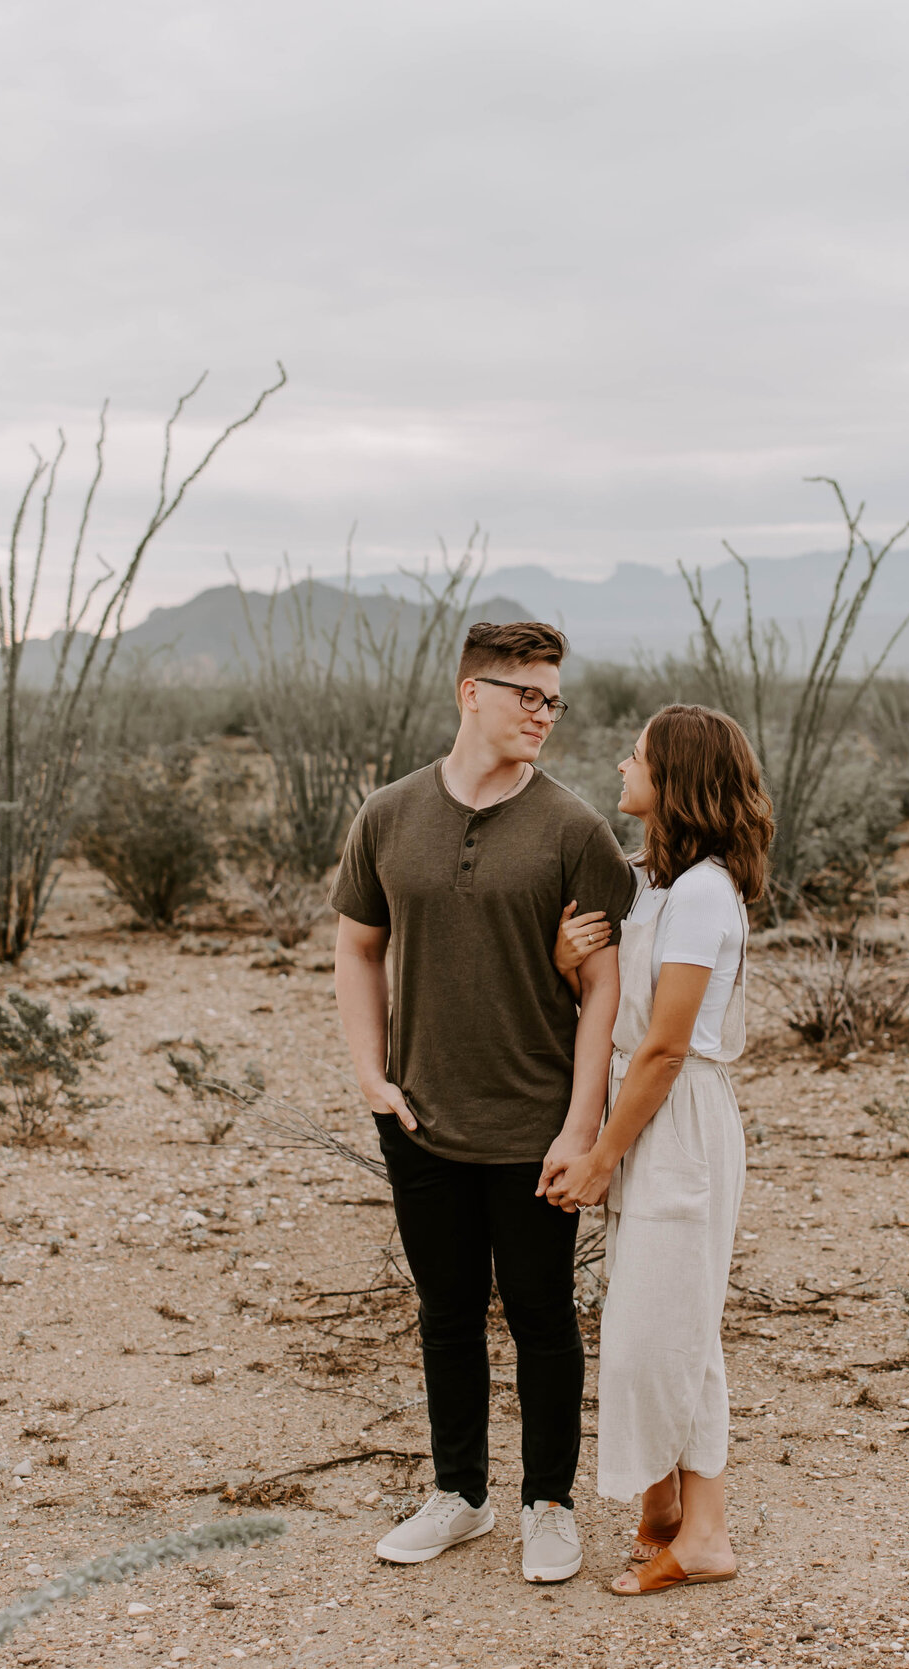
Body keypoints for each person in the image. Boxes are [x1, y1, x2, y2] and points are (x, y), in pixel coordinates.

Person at [331, 621, 638, 1585]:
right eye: (527, 695)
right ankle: (457, 1495)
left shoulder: (575, 830)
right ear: (473, 692)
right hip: (421, 1121)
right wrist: (372, 1075)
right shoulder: (385, 815)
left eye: (555, 699)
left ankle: (548, 1503)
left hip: (534, 1127)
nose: (544, 714)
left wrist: (582, 1121)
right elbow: (357, 945)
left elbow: (604, 993)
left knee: (543, 1315)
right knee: (447, 1313)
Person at [543, 703, 771, 1597]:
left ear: (674, 778)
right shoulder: (649, 881)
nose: (622, 762)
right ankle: (665, 1508)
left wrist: (600, 1155)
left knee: (667, 1330)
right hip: (645, 1108)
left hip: (673, 1114)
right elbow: (616, 1000)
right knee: (652, 1316)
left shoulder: (706, 889)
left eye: (637, 753)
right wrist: (571, 962)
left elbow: (669, 1044)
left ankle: (706, 1532)